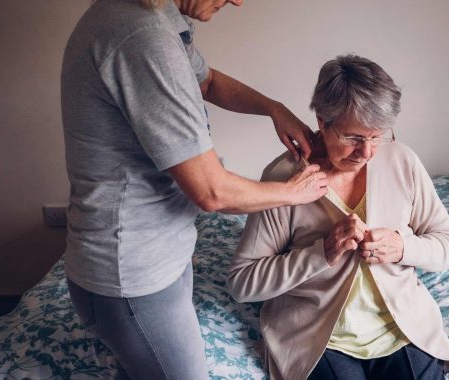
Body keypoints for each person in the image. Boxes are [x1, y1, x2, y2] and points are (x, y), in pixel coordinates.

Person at [60, 0, 328, 378]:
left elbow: (207, 82)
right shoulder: (143, 37)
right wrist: (293, 192)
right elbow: (212, 193)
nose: (237, 0)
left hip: (154, 257)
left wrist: (273, 108)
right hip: (131, 274)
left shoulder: (155, 17)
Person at [227, 54, 449, 380]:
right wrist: (321, 253)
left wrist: (403, 247)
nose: (366, 152)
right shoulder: (284, 178)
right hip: (318, 337)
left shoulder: (403, 162)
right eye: (353, 137)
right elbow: (242, 283)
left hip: (401, 329)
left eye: (377, 136)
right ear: (323, 121)